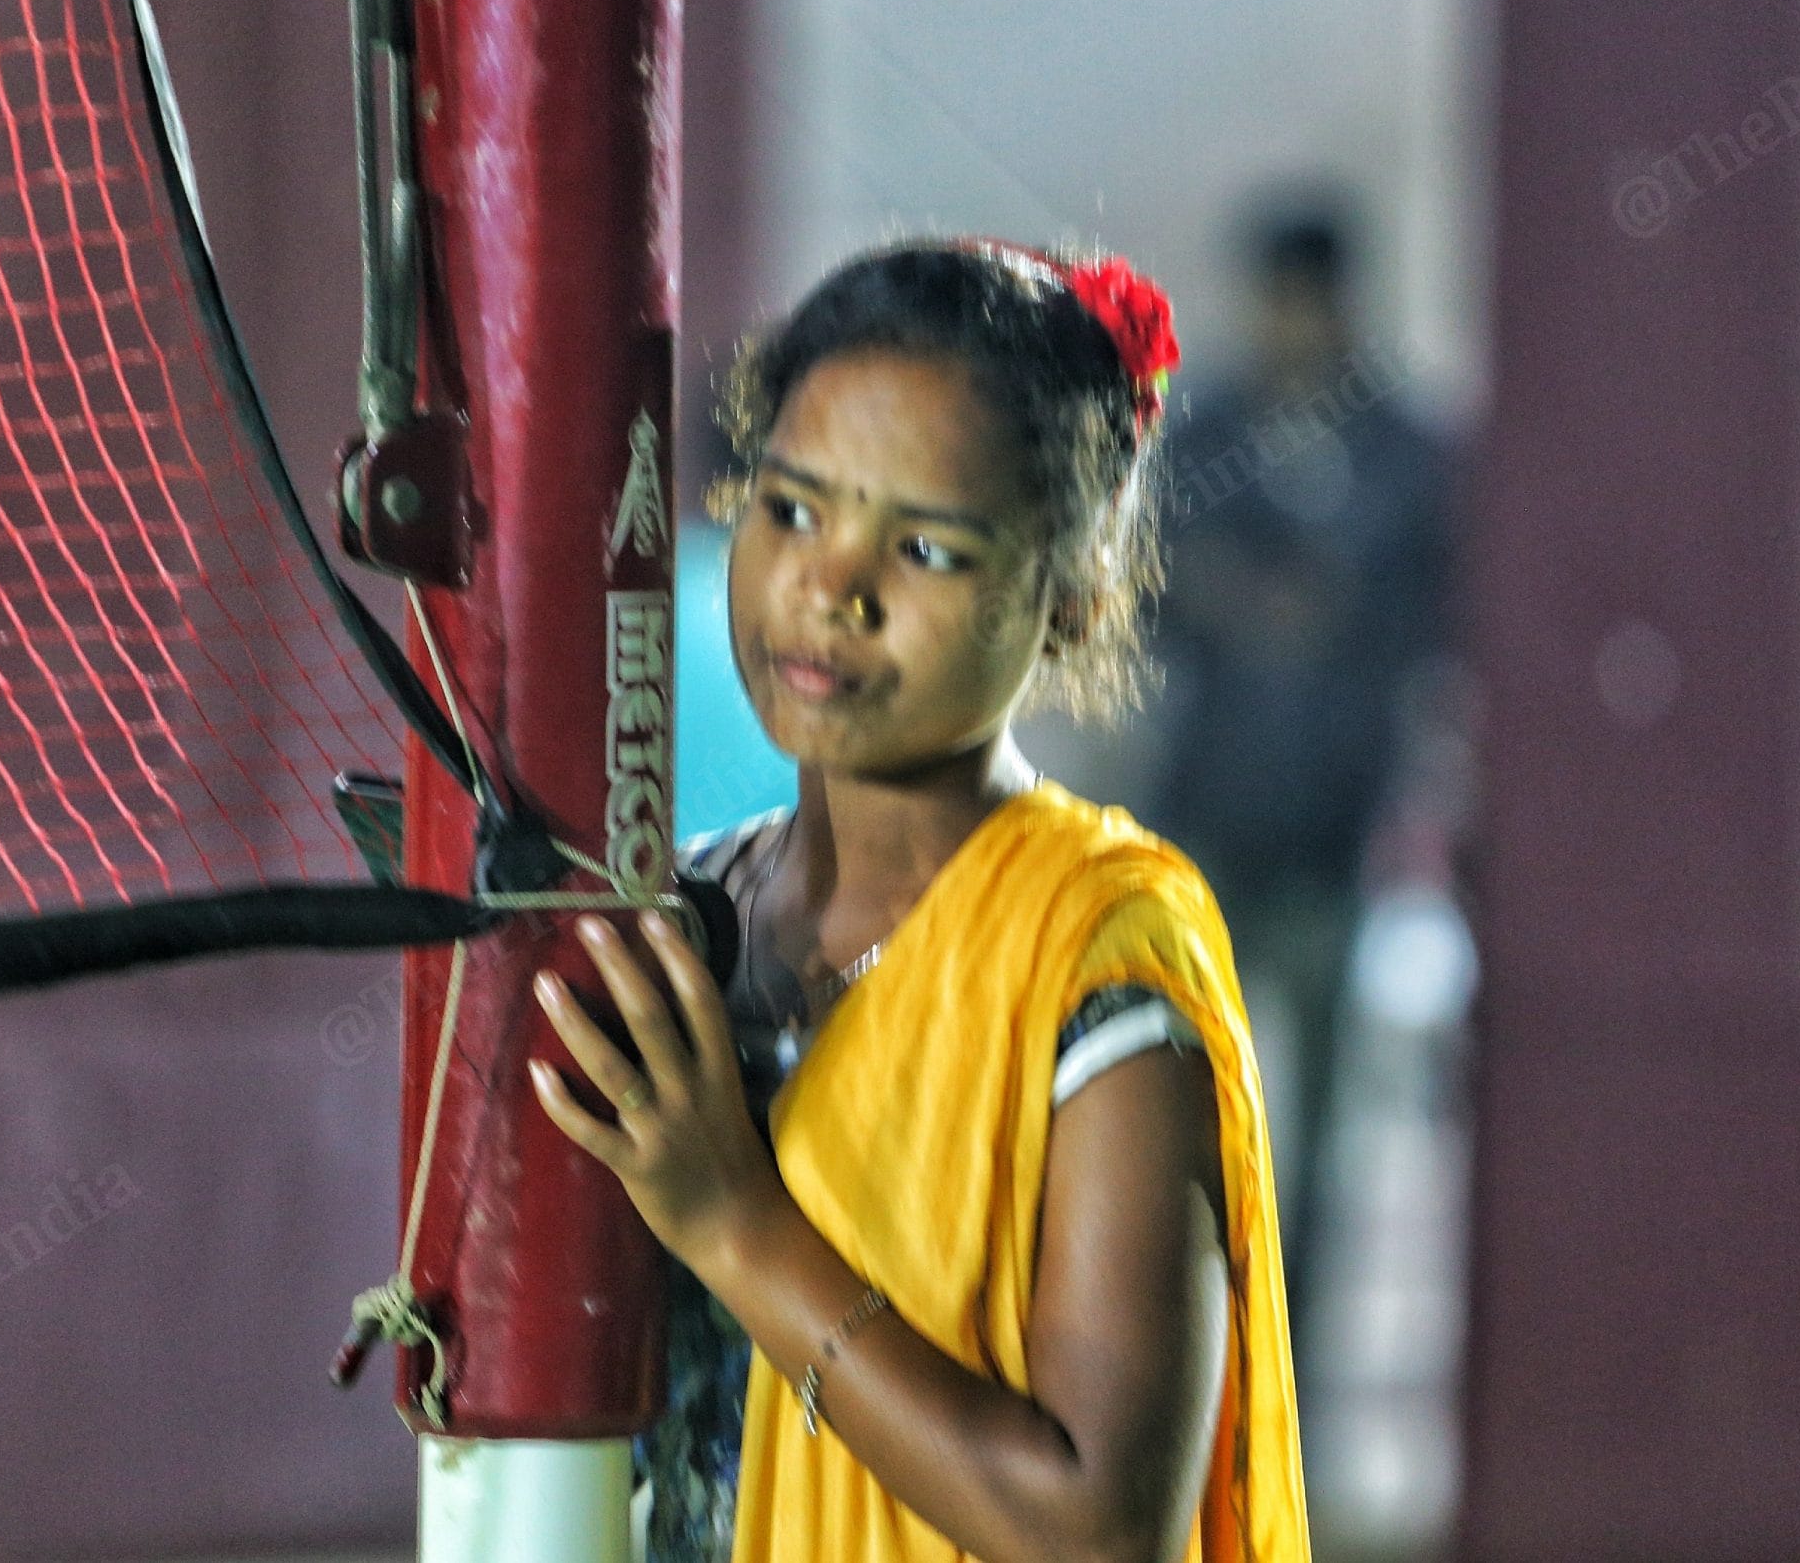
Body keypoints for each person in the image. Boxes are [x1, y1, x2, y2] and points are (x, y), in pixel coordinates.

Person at [525, 239, 1311, 1562]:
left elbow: (1097, 1528)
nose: (833, 588)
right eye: (792, 509)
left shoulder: (1097, 971)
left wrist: (739, 1228)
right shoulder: (693, 916)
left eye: (928, 548)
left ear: (1071, 593)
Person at [1146, 200, 1458, 1310]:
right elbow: (1141, 599)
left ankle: (1293, 1391)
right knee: (1182, 1122)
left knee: (1316, 1147)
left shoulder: (1405, 456)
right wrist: (1229, 597)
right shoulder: (1205, 441)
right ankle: (1193, 1369)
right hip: (1207, 826)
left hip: (1336, 832)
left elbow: (1437, 626)